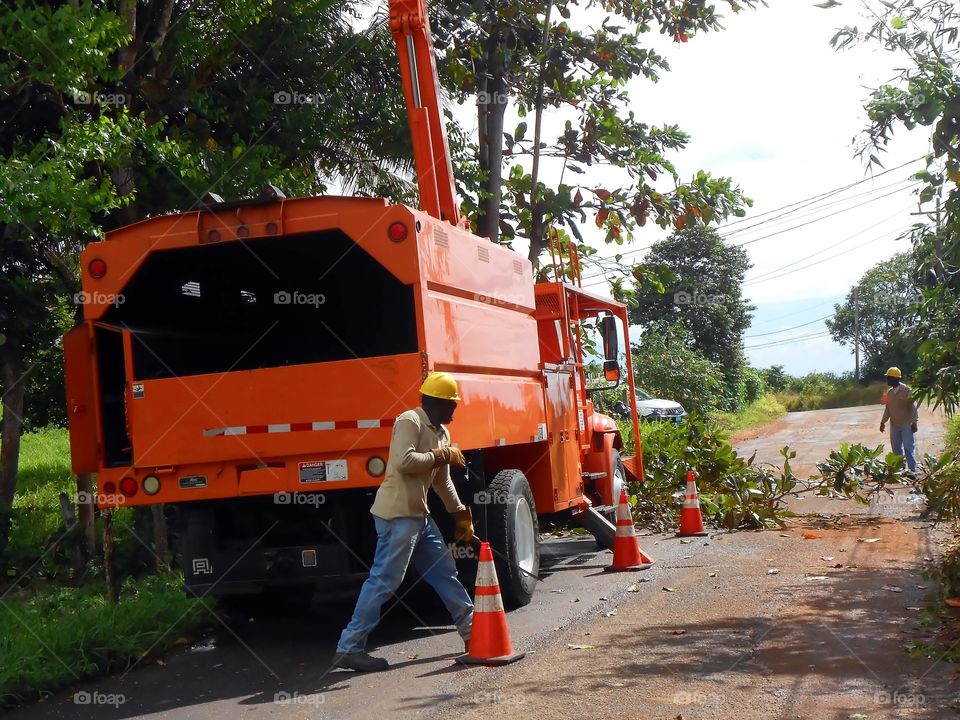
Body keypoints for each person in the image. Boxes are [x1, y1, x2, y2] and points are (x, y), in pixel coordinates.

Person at [332, 372, 475, 672]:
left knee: (445, 572)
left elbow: (442, 482)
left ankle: (473, 634)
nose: (456, 409)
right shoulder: (410, 421)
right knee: (384, 581)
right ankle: (349, 647)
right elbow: (405, 462)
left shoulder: (441, 433)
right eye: (453, 403)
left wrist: (460, 515)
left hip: (420, 517)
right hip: (397, 516)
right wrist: (442, 454)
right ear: (439, 402)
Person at [880, 366, 918, 472]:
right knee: (896, 448)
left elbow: (912, 407)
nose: (887, 380)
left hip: (906, 423)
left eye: (889, 378)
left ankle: (912, 470)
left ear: (896, 379)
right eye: (887, 377)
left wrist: (914, 422)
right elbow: (887, 409)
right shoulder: (889, 393)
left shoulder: (906, 390)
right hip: (894, 425)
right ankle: (900, 470)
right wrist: (882, 422)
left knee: (908, 447)